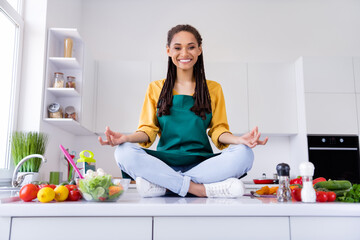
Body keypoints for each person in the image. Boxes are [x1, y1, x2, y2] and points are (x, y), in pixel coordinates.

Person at [98, 24, 268, 198]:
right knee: (123, 152)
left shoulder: (213, 89)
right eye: (177, 48)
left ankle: (165, 186)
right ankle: (197, 189)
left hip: (202, 163)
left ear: (200, 50)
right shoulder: (155, 88)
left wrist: (239, 140)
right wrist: (125, 138)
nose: (185, 54)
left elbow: (218, 130)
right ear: (168, 51)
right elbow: (148, 131)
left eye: (191, 47)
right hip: (164, 163)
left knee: (244, 154)